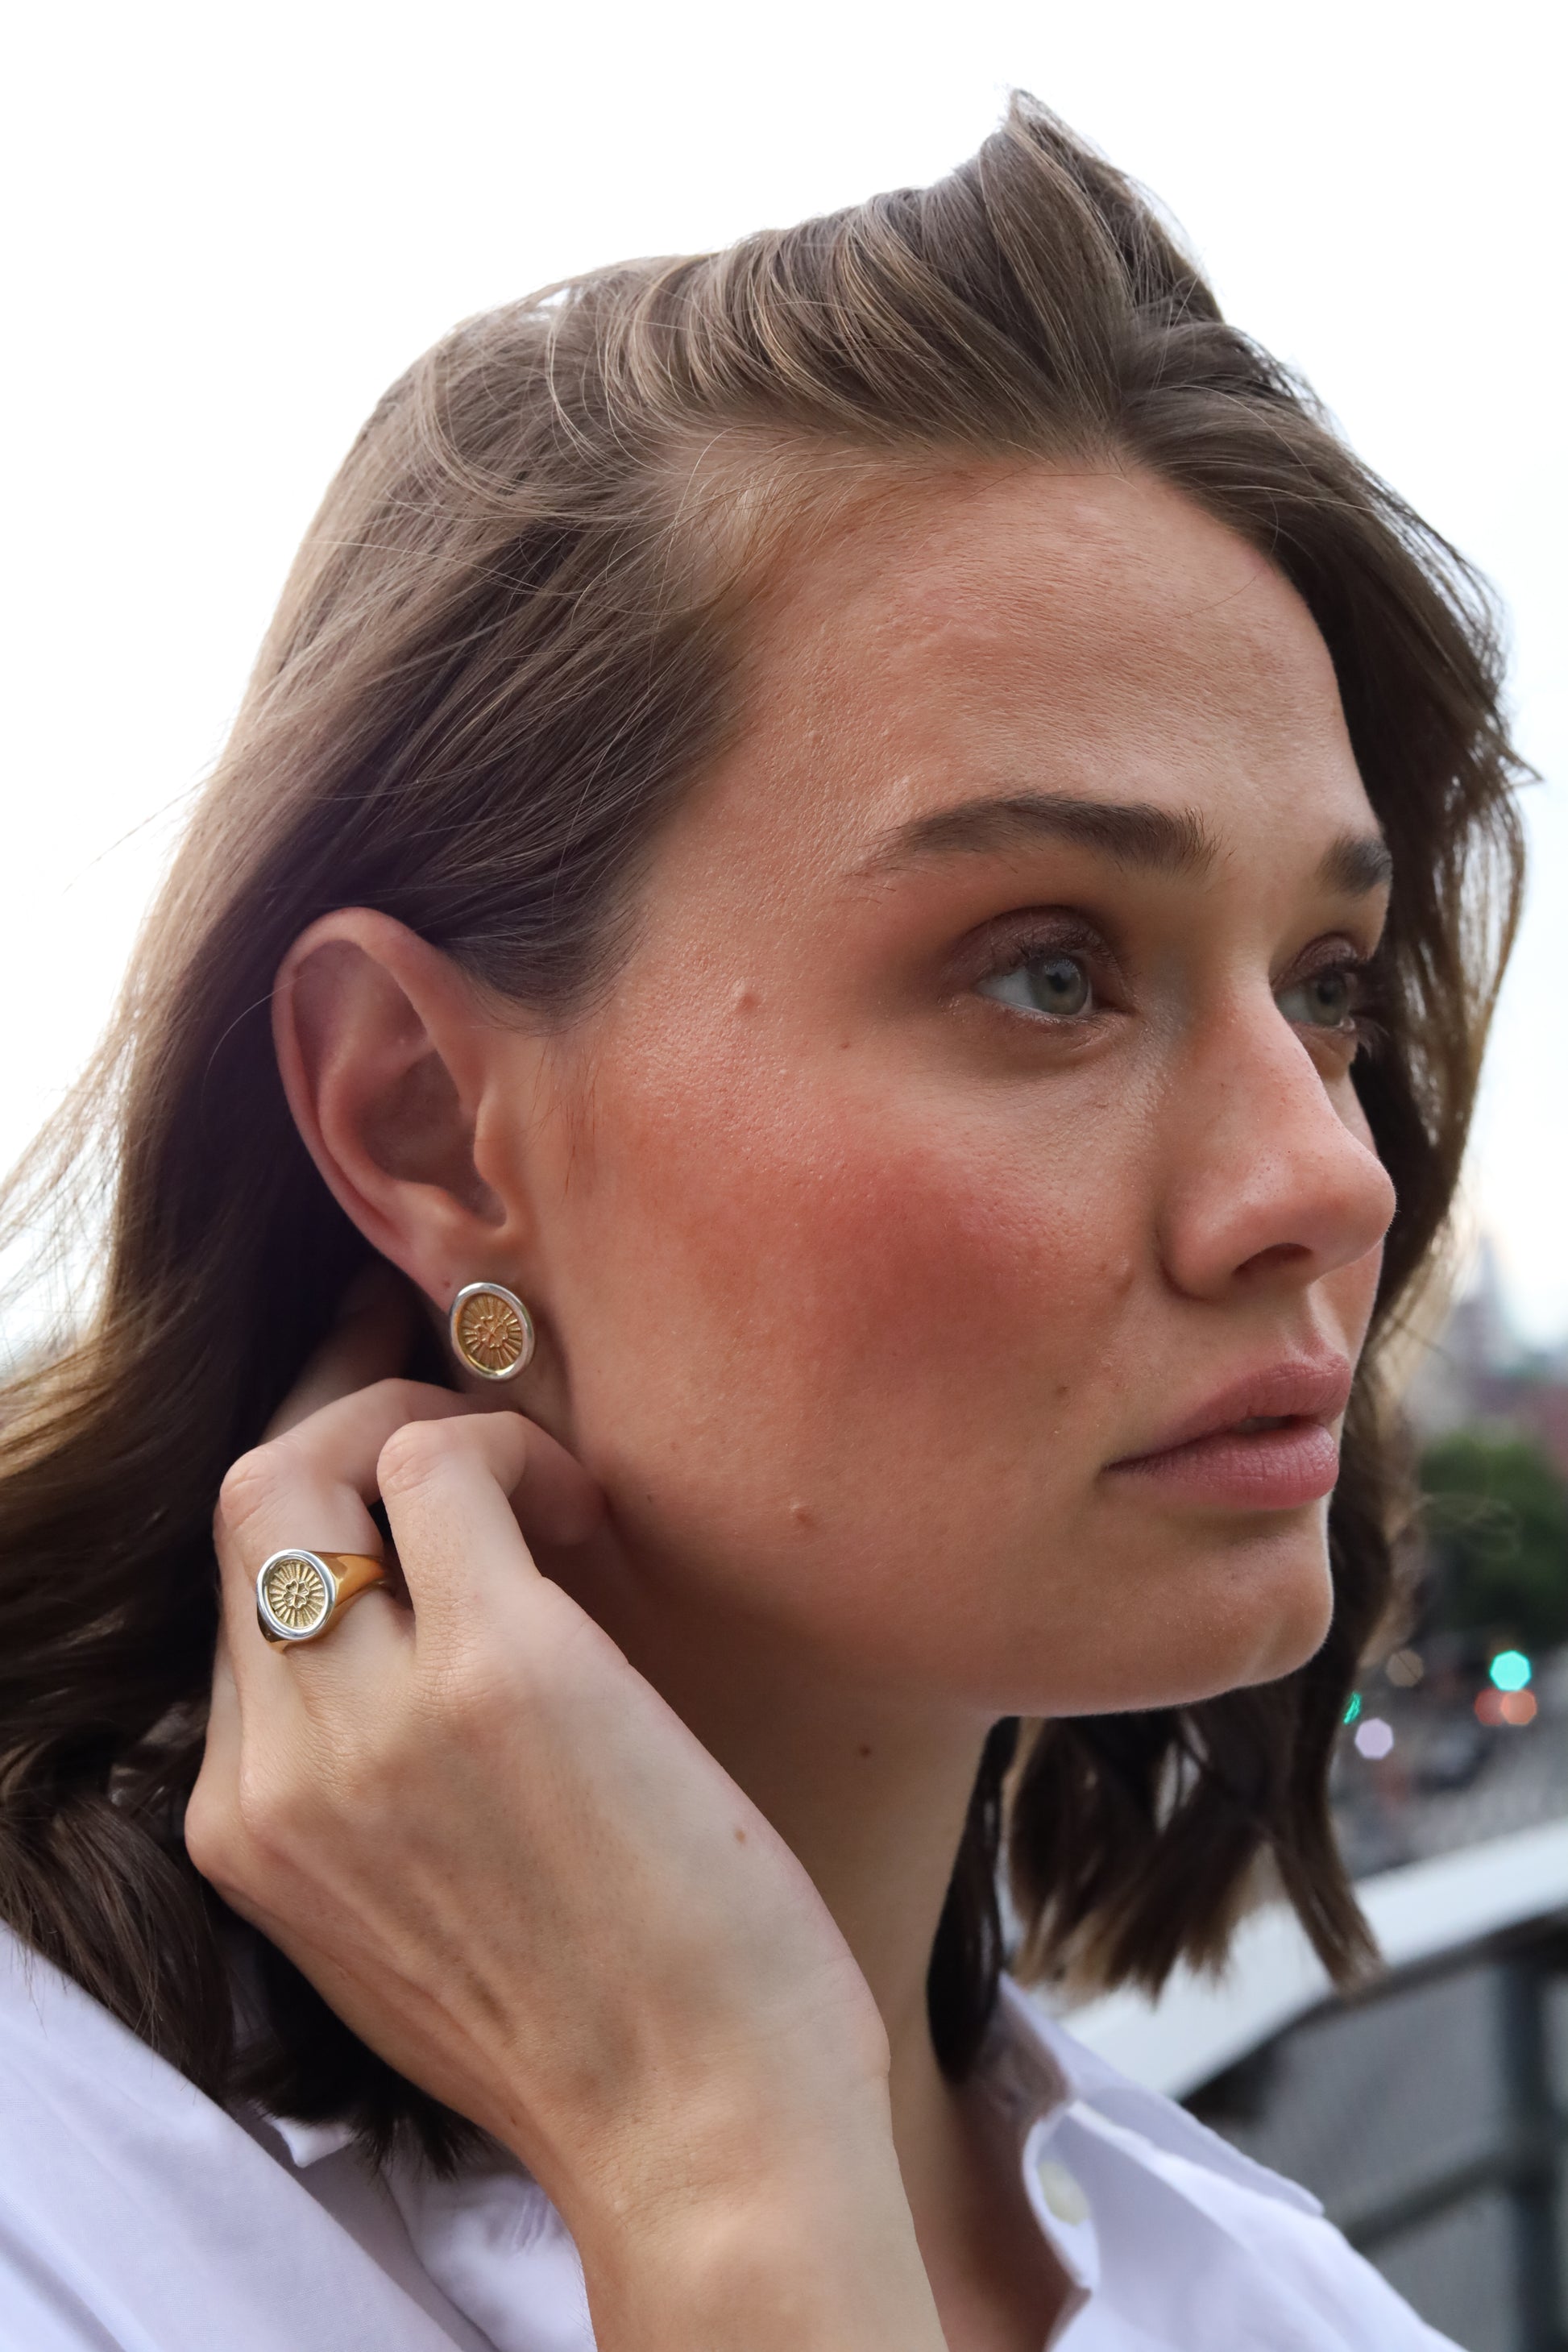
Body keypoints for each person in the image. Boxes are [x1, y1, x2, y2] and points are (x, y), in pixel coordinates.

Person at [0, 93, 1524, 2351]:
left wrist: (730, 2165)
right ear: (422, 1122)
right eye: (1046, 969)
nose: (1324, 1171)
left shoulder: (1275, 2303)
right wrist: (721, 2172)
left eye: (1320, 989)